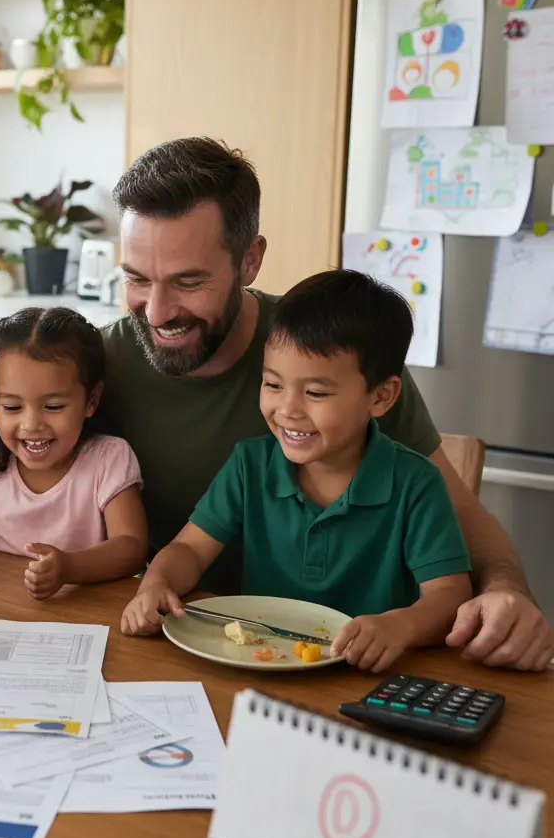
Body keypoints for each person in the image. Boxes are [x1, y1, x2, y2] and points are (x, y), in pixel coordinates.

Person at [102, 136, 552, 671]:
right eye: (136, 277)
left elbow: (459, 522)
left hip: (351, 658)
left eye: (189, 281)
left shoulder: (326, 350)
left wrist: (510, 593)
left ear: (250, 260)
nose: (155, 311)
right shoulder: (99, 364)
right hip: (193, 643)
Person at [122, 270, 473, 673]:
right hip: (257, 663)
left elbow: (450, 594)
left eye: (316, 393)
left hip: (367, 677)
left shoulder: (415, 483)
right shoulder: (249, 466)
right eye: (272, 384)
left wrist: (401, 625)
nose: (287, 409)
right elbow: (189, 550)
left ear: (381, 395)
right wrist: (157, 583)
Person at [0, 306, 148, 600]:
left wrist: (69, 567)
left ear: (91, 400)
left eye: (53, 407)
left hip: (82, 614)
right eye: (12, 407)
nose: (31, 425)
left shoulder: (109, 458)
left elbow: (131, 546)